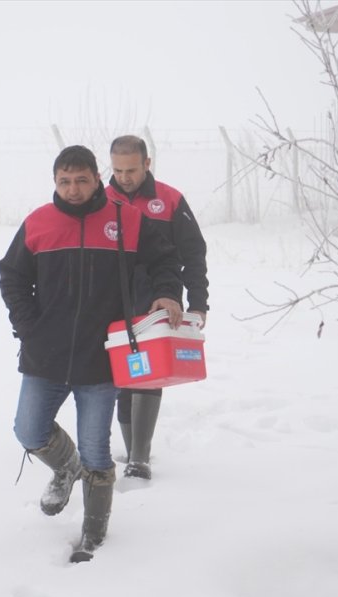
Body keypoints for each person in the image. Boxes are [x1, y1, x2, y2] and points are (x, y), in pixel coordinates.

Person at [0, 145, 183, 563]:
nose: (73, 189)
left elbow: (165, 260)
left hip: (102, 359)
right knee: (28, 431)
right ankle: (65, 468)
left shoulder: (125, 220)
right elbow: (11, 276)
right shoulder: (38, 223)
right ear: (55, 182)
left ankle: (93, 534)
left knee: (97, 452)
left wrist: (168, 293)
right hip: (46, 357)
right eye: (64, 181)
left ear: (97, 178)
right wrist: (29, 328)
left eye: (81, 180)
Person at [106, 135, 209, 480]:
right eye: (118, 170)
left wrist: (198, 301)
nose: (124, 177)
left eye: (131, 170)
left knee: (148, 373)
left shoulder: (169, 199)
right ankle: (131, 447)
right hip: (113, 302)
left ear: (147, 164)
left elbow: (194, 253)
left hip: (158, 300)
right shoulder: (101, 200)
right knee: (123, 375)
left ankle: (140, 457)